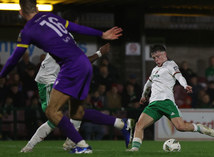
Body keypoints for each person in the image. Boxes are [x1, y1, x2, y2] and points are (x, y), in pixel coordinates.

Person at [0, 0, 133, 154]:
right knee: (77, 113)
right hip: (84, 65)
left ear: (21, 12)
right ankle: (121, 124)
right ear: (37, 7)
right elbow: (76, 27)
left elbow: (14, 58)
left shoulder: (28, 30)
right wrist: (101, 34)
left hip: (69, 68)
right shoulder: (51, 17)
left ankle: (81, 145)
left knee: (52, 112)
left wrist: (2, 75)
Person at [21, 44, 132, 152]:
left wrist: (99, 53)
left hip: (50, 80)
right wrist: (99, 53)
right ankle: (120, 123)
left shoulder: (61, 39)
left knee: (54, 115)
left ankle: (31, 146)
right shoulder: (63, 39)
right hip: (61, 78)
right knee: (77, 112)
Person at [128, 45, 214, 152]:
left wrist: (185, 85)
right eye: (154, 58)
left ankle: (199, 128)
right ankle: (134, 150)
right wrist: (143, 96)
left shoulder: (171, 65)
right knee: (139, 125)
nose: (156, 59)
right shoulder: (155, 70)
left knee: (180, 127)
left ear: (164, 54)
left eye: (158, 56)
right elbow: (148, 85)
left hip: (166, 102)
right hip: (153, 104)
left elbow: (179, 76)